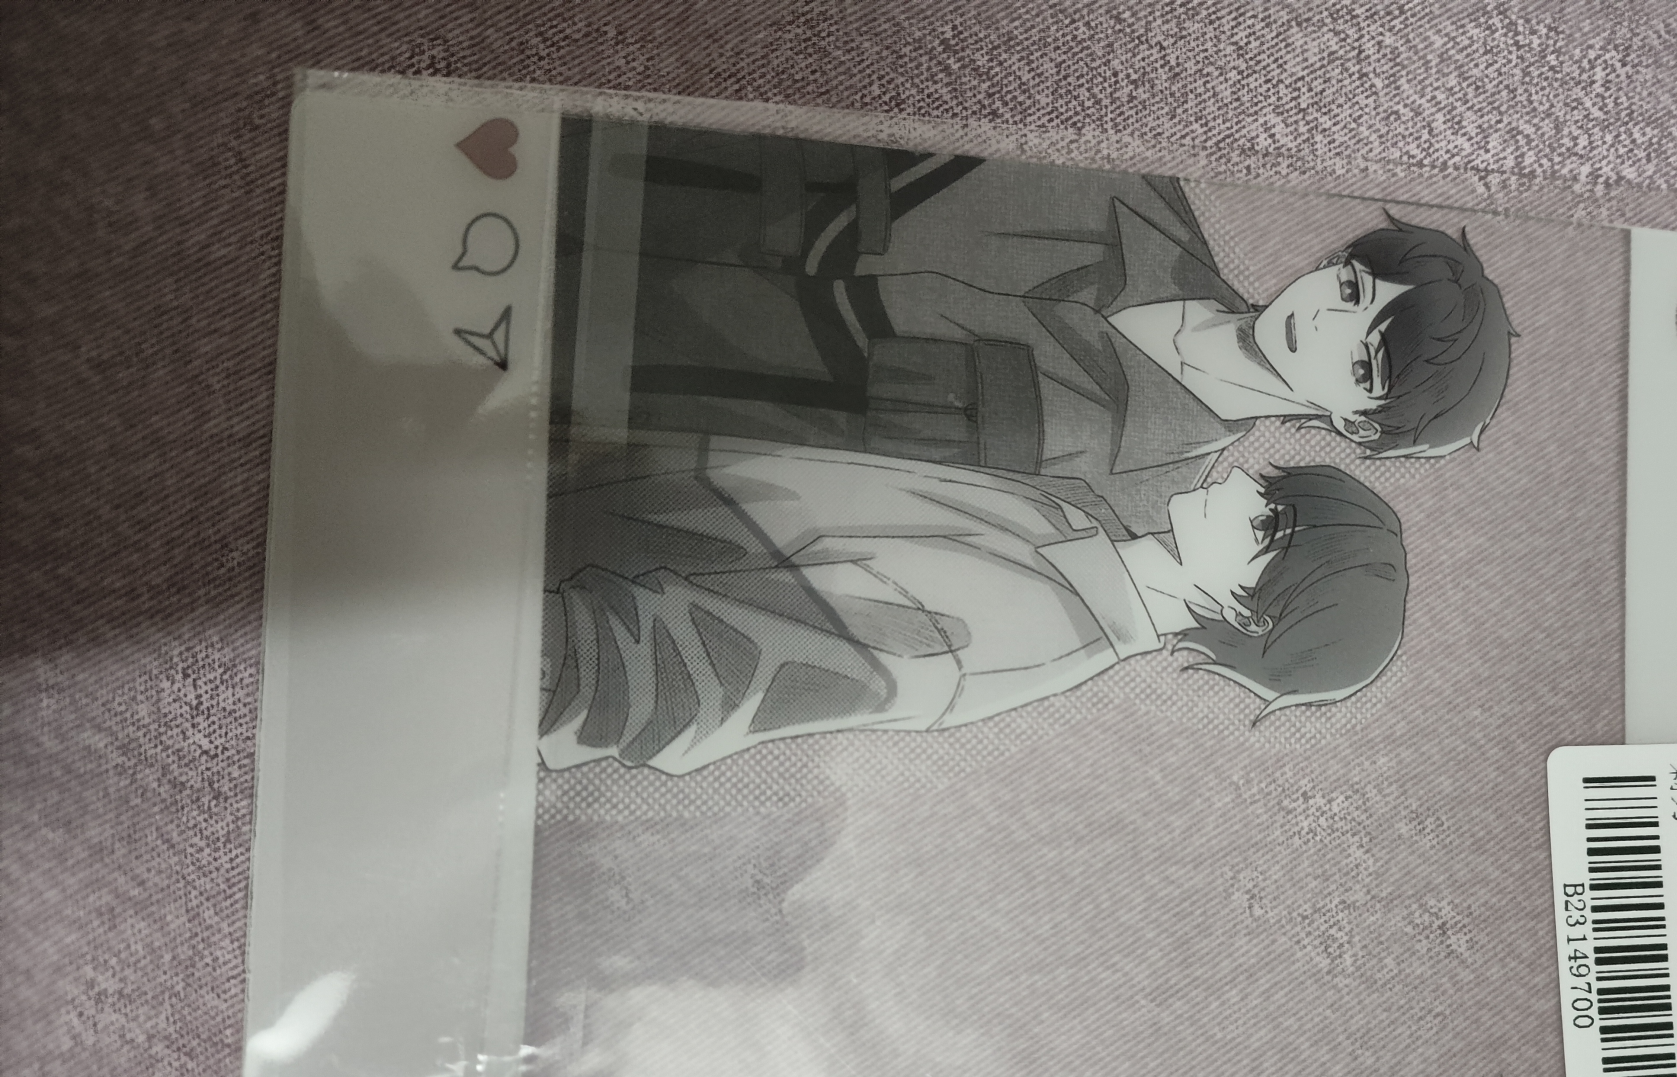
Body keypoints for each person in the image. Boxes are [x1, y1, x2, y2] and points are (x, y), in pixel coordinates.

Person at [555, 120, 1512, 538]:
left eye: (1365, 358)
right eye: (1350, 284)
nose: (1328, 316)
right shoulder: (1128, 188)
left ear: (1357, 424)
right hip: (618, 184)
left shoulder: (1132, 501)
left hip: (620, 380)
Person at [539, 435, 1407, 777]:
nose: (1244, 480)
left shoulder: (1025, 631)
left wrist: (505, 645)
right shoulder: (1073, 522)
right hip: (557, 505)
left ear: (1247, 614)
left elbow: (690, 677)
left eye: (1267, 522)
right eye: (1272, 486)